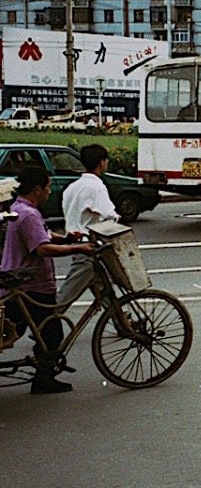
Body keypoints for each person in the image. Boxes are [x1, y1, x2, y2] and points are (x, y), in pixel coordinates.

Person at [1, 166, 95, 393]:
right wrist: (78, 247)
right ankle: (43, 380)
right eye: (47, 188)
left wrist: (65, 239)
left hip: (19, 282)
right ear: (36, 189)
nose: (49, 192)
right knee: (52, 334)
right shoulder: (30, 214)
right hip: (31, 286)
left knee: (30, 329)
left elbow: (41, 234)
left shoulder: (20, 207)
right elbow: (42, 248)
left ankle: (43, 374)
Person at [57, 144, 121, 306]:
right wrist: (116, 217)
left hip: (75, 242)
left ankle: (121, 323)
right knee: (63, 299)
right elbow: (109, 215)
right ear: (101, 162)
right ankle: (45, 325)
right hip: (87, 248)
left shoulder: (72, 187)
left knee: (105, 292)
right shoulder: (96, 187)